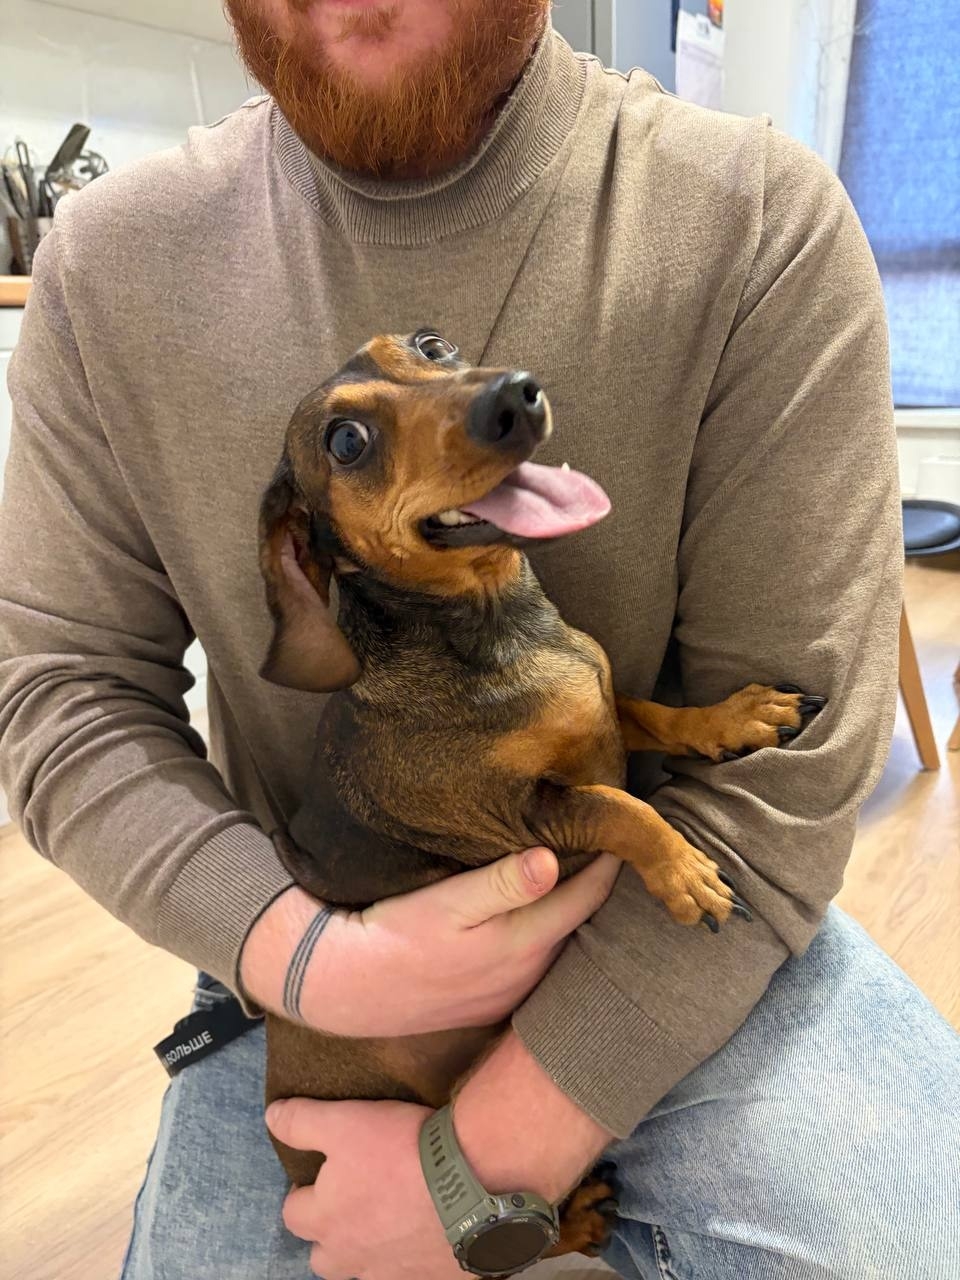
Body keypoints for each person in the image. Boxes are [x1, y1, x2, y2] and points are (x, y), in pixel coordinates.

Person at [1, 1, 957, 1277]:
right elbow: (60, 688)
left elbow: (794, 763)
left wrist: (484, 1156)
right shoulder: (107, 264)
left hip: (684, 921)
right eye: (358, 439)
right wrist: (301, 954)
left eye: (437, 362)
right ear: (310, 556)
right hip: (318, 962)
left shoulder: (758, 218)